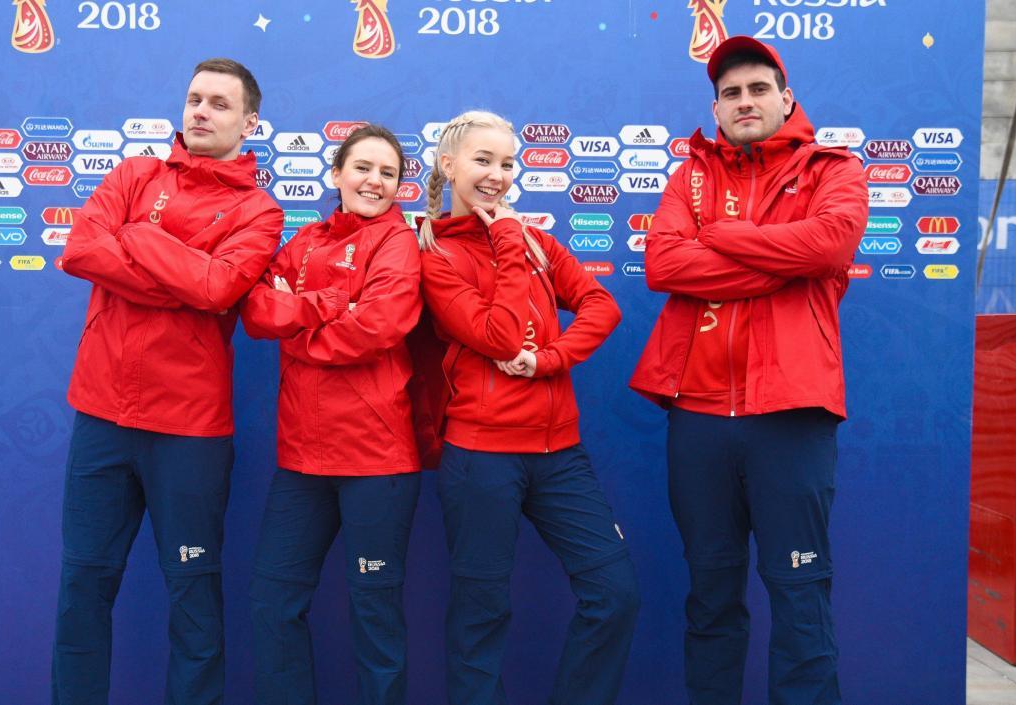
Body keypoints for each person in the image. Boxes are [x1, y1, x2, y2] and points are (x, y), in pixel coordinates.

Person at [630, 36, 868, 705]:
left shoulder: (834, 169)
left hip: (791, 414)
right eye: (731, 92)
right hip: (699, 417)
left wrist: (723, 239)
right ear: (717, 106)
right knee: (710, 594)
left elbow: (829, 244)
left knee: (799, 591)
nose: (744, 101)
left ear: (785, 97)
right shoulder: (692, 176)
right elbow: (665, 264)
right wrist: (777, 260)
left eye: (758, 88)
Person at [52, 58, 283, 705]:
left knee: (194, 596)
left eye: (219, 103)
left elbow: (218, 288)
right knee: (83, 587)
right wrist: (182, 271)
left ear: (250, 121)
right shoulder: (133, 174)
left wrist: (136, 237)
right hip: (101, 419)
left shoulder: (259, 211)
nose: (201, 111)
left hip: (189, 432)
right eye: (194, 98)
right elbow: (79, 250)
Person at [417, 110, 640, 705]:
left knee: (613, 592)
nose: (497, 175)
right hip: (481, 458)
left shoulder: (537, 241)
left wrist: (551, 360)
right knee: (481, 613)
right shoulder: (434, 252)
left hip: (559, 454)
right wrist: (508, 242)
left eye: (507, 163)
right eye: (482, 160)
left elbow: (601, 306)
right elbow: (499, 335)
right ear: (448, 165)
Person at [239, 124, 423, 705]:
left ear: (399, 187)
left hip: (377, 460)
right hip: (301, 460)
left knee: (375, 615)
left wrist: (300, 332)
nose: (374, 181)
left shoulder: (397, 242)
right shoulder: (306, 242)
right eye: (362, 167)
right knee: (273, 603)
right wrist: (326, 305)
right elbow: (256, 309)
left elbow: (378, 325)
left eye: (387, 173)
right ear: (337, 173)